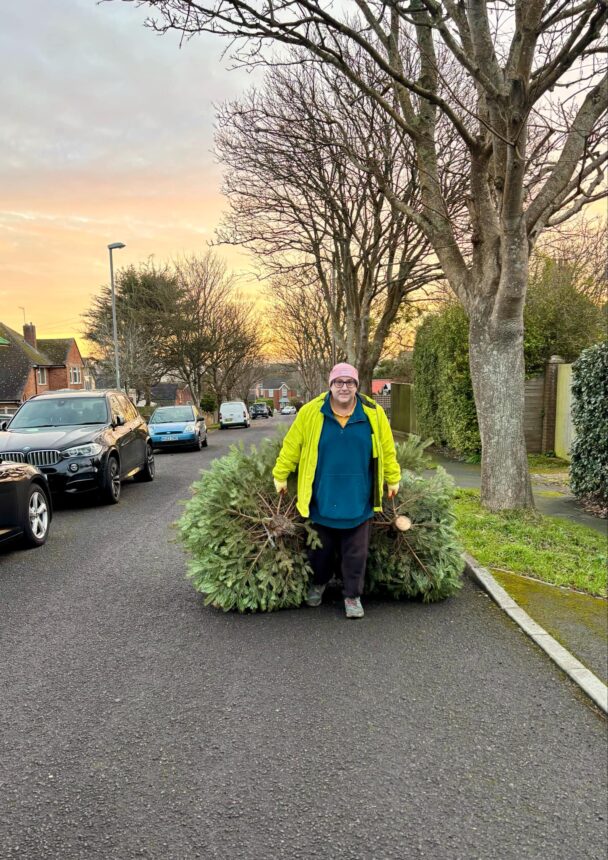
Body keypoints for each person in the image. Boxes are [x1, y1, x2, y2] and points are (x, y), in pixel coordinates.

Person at [273, 363, 401, 619]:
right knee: (319, 550)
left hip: (359, 497)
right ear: (330, 385)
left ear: (357, 386)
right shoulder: (311, 412)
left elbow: (387, 449)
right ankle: (318, 584)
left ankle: (352, 596)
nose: (344, 387)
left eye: (350, 382)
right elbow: (292, 445)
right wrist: (280, 474)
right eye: (339, 382)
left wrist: (392, 478)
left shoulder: (373, 413)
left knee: (356, 553)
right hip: (322, 496)